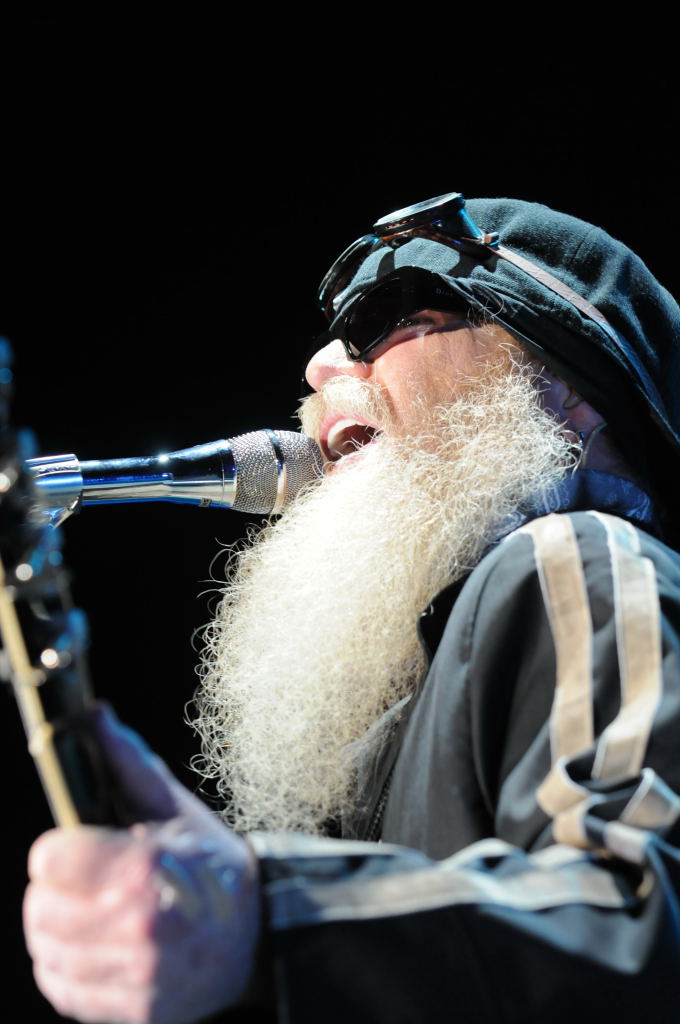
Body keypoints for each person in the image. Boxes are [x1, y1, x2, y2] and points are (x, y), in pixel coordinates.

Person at [22, 193, 680, 1023]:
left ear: (563, 382)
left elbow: (641, 920)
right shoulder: (412, 688)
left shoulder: (585, 561)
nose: (322, 366)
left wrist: (268, 918)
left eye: (384, 316)